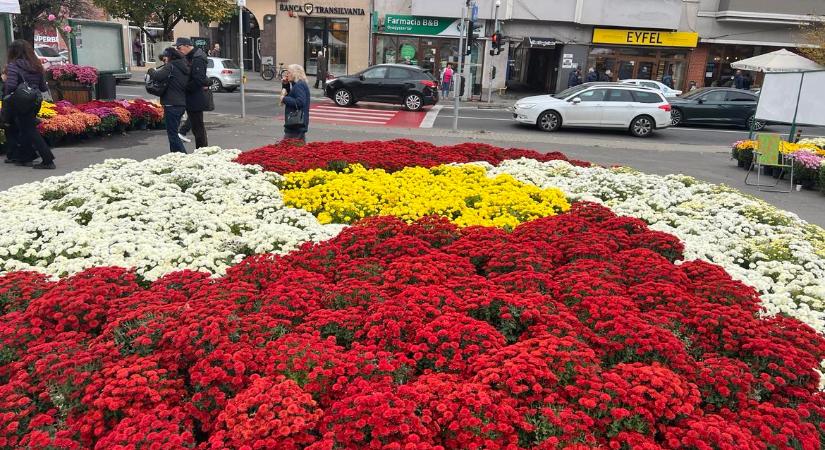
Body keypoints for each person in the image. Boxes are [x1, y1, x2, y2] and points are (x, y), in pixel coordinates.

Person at [2, 40, 55, 169]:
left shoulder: (13, 66)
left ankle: (48, 159)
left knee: (29, 129)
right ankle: (25, 158)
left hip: (21, 102)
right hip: (35, 100)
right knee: (25, 128)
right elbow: (43, 87)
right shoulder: (36, 65)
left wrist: (5, 81)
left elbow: (11, 86)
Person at [148, 47, 190, 153]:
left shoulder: (171, 66)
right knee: (173, 132)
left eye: (165, 57)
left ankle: (184, 156)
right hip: (181, 103)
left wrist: (151, 70)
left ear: (169, 56)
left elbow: (158, 76)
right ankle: (174, 156)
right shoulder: (183, 67)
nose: (164, 60)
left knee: (172, 134)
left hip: (171, 104)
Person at [175, 37, 210, 148]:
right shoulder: (190, 56)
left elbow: (198, 80)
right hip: (192, 96)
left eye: (179, 48)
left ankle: (202, 151)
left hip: (195, 97)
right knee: (196, 126)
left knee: (198, 127)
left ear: (186, 45)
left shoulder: (198, 58)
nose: (179, 50)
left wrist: (184, 87)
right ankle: (201, 150)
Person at [280, 64, 310, 142]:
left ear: (295, 73)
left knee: (286, 149)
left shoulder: (299, 85)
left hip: (295, 124)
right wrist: (286, 84)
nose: (286, 74)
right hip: (297, 124)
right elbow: (292, 94)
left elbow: (300, 102)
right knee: (298, 149)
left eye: (289, 72)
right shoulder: (298, 84)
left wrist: (284, 99)